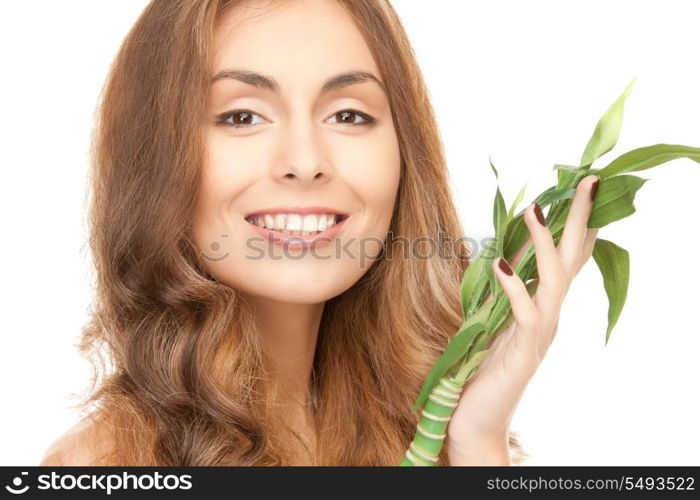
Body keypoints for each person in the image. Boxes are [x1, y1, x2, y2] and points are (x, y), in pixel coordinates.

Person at [40, 0, 598, 466]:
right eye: (241, 116)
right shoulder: (105, 466)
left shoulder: (398, 429)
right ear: (154, 162)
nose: (305, 162)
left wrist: (476, 440)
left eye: (349, 115)